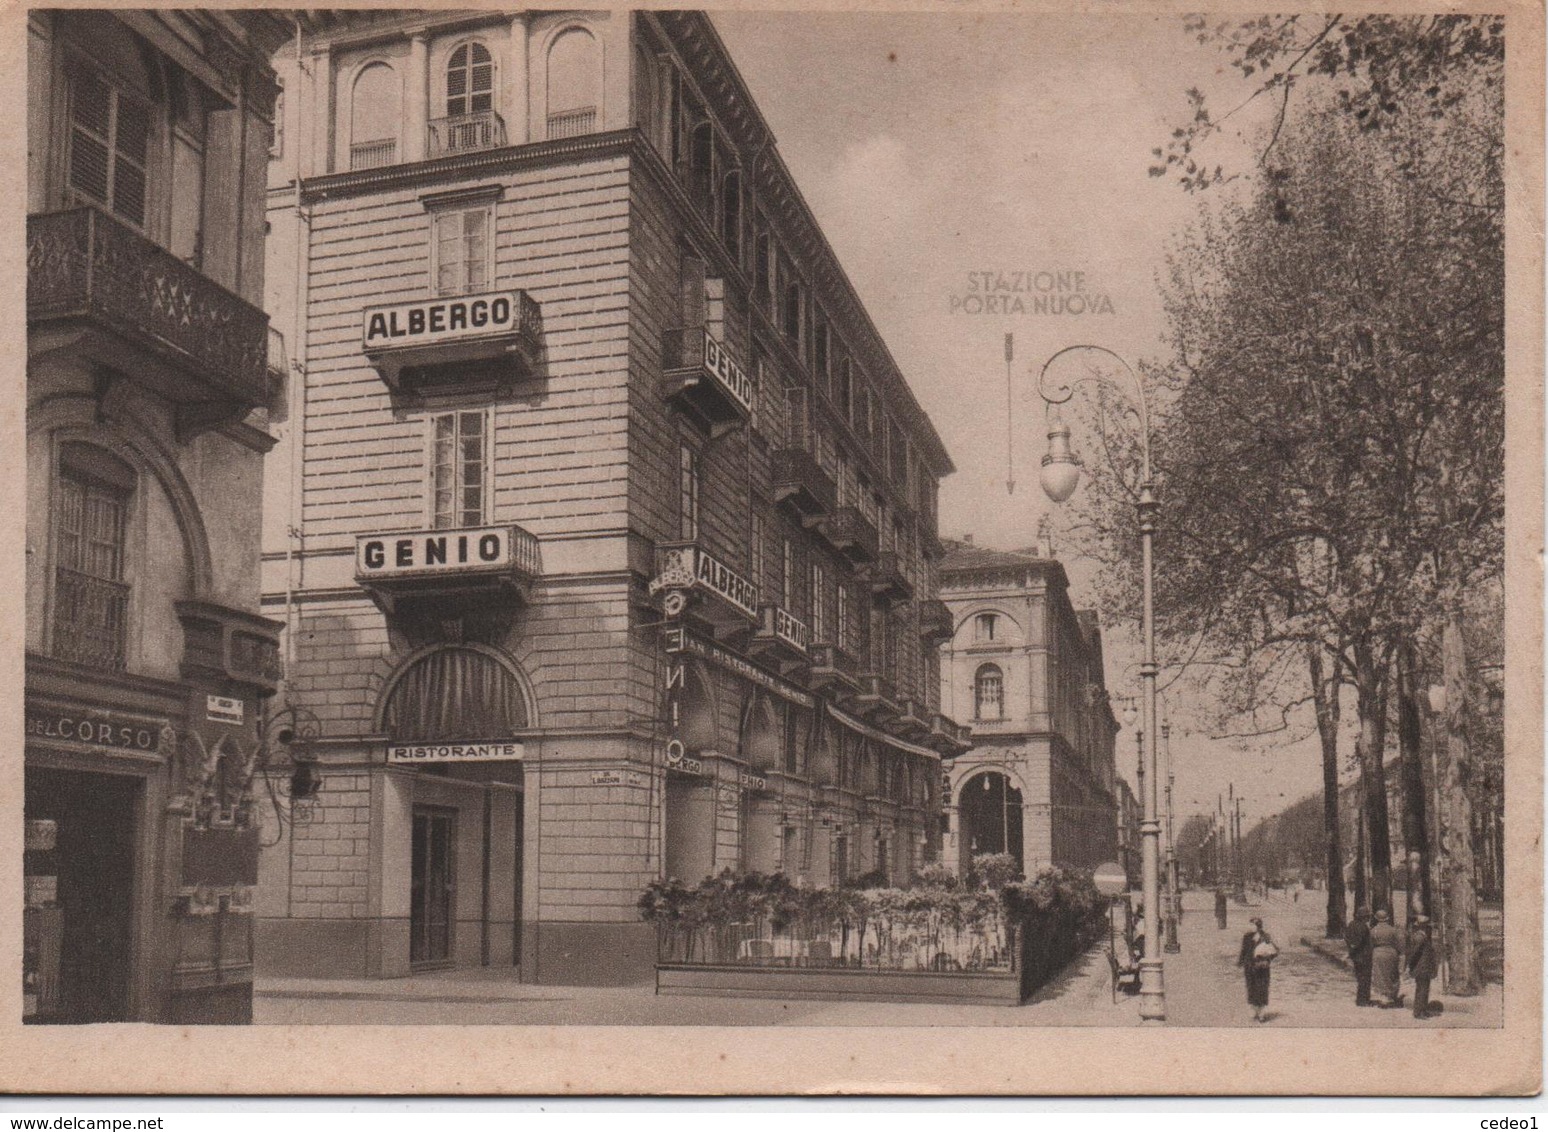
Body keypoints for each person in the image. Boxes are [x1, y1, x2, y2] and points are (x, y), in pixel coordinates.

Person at [1237, 916, 1277, 1022]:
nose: (1250, 927)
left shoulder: (1265, 936)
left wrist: (1267, 959)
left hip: (1262, 968)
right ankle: (1254, 1010)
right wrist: (1240, 962)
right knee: (1251, 988)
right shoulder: (1247, 937)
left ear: (1258, 926)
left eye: (1252, 925)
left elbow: (1273, 951)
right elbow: (1243, 951)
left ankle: (1262, 1013)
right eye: (1250, 925)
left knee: (1262, 989)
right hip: (1249, 967)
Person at [1369, 907, 1403, 1008]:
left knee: (1379, 975)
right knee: (1392, 974)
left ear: (1376, 918)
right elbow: (1399, 943)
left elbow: (1371, 944)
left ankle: (1383, 996)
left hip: (1378, 953)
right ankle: (1391, 995)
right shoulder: (1393, 930)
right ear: (1387, 918)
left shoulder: (1373, 931)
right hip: (1391, 953)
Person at [1407, 914, 1438, 1019]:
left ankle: (1423, 1010)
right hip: (1421, 967)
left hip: (1424, 966)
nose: (1428, 927)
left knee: (1425, 989)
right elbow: (1414, 953)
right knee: (1422, 989)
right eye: (1426, 925)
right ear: (1422, 926)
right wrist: (1409, 965)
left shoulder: (1422, 935)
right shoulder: (1420, 937)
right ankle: (1418, 1012)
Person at [1344, 905, 1374, 1006]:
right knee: (1365, 979)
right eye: (1367, 916)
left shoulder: (1351, 924)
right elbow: (1359, 942)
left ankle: (1361, 999)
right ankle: (1363, 1000)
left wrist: (1350, 950)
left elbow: (1347, 937)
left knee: (1360, 978)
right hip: (1364, 956)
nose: (1368, 918)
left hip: (1356, 957)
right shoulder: (1363, 927)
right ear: (1364, 917)